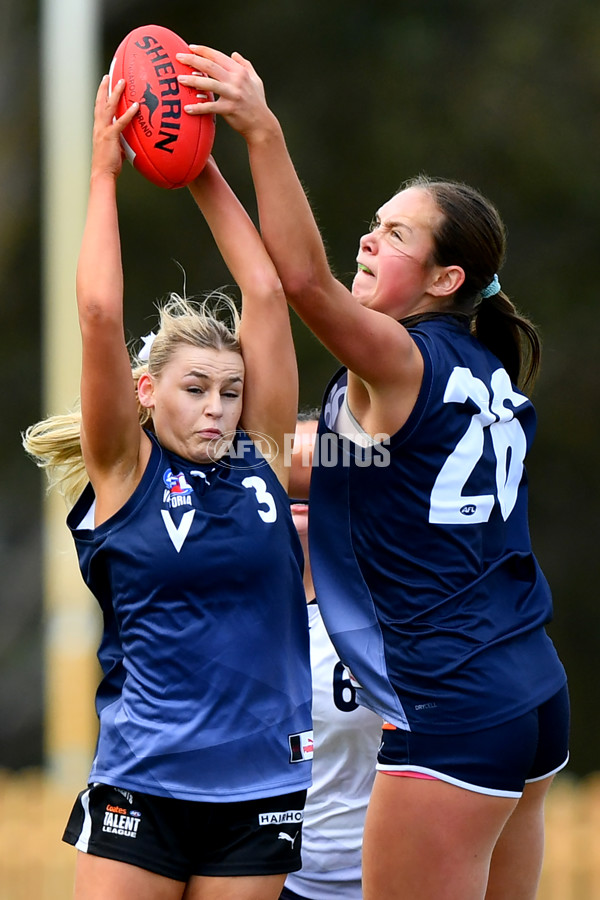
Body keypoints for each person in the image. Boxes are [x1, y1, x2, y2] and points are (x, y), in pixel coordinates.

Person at [174, 48, 570, 900]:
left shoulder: (400, 359)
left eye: (396, 234)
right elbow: (339, 465)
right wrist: (231, 461)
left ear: (445, 279)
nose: (369, 234)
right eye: (377, 219)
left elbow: (303, 282)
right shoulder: (479, 369)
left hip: (453, 701)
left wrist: (258, 130)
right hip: (532, 692)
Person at [22, 74, 313, 900]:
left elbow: (265, 291)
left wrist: (198, 166)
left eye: (229, 388)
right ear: (148, 392)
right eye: (196, 390)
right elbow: (101, 316)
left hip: (260, 787)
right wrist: (106, 173)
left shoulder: (258, 455)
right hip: (144, 785)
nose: (219, 408)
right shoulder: (127, 470)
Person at [281, 416, 382, 900]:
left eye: (319, 469)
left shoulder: (401, 615)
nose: (303, 480)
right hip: (270, 879)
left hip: (388, 879)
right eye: (289, 468)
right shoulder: (222, 617)